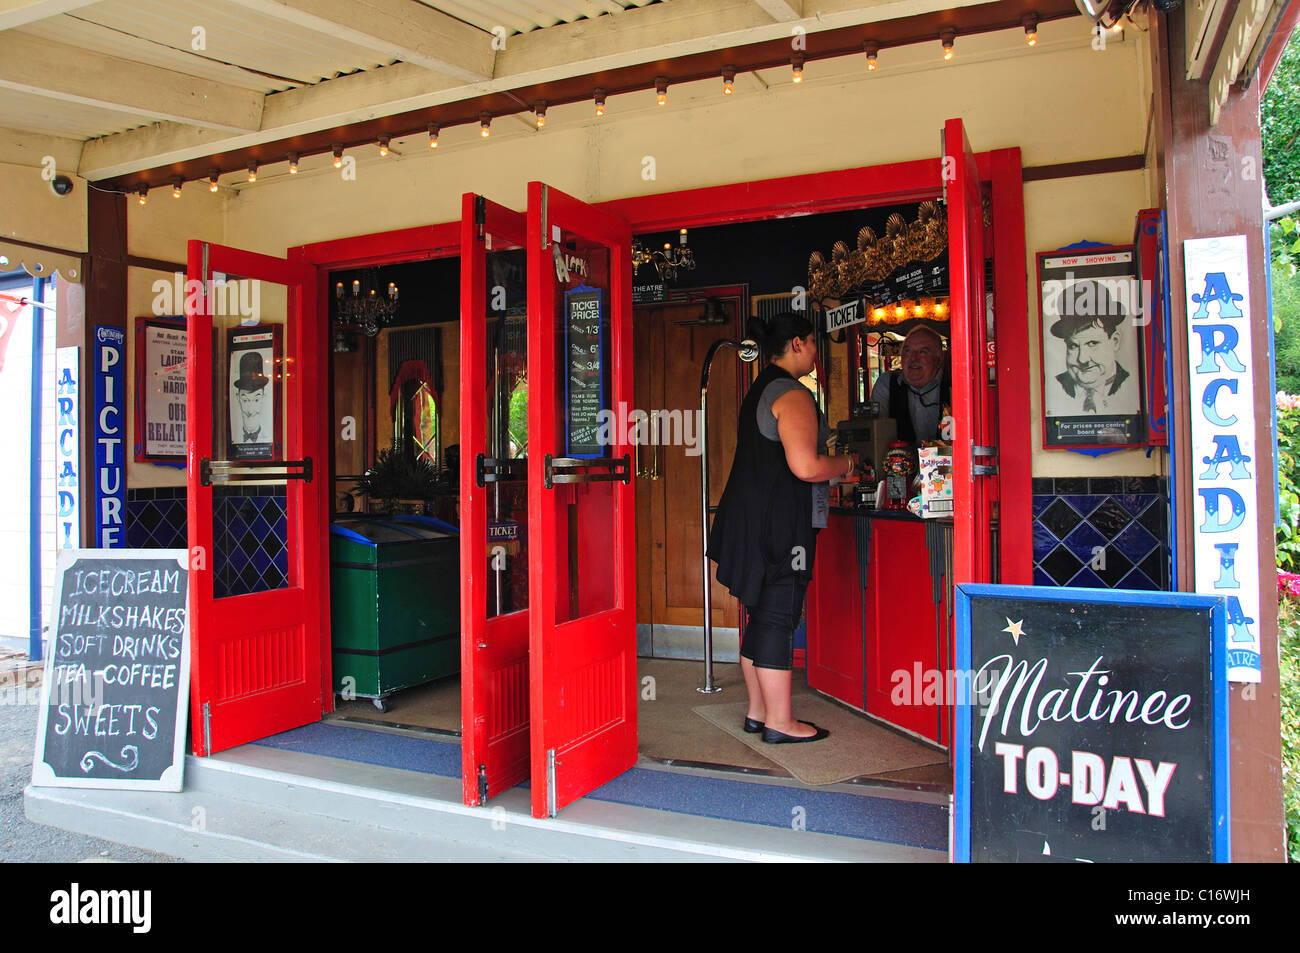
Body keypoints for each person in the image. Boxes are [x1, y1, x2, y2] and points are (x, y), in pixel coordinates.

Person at [707, 312, 856, 744]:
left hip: (749, 519)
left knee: (760, 615)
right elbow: (807, 466)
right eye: (812, 344)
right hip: (778, 527)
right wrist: (846, 466)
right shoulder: (791, 394)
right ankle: (781, 723)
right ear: (796, 344)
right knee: (777, 616)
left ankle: (758, 712)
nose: (815, 352)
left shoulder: (760, 387)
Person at [1048, 282, 1136, 415]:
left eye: (1092, 343)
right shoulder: (1054, 388)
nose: (1082, 359)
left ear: (1115, 341)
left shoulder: (1131, 385)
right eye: (1073, 346)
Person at [869, 324, 949, 443]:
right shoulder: (888, 384)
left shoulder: (954, 385)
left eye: (923, 352)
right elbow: (875, 433)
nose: (913, 358)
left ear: (939, 360)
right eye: (907, 351)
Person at [233, 350, 269, 444]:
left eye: (256, 399)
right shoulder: (234, 435)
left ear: (263, 398)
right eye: (245, 400)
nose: (250, 410)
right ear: (238, 398)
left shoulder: (269, 436)